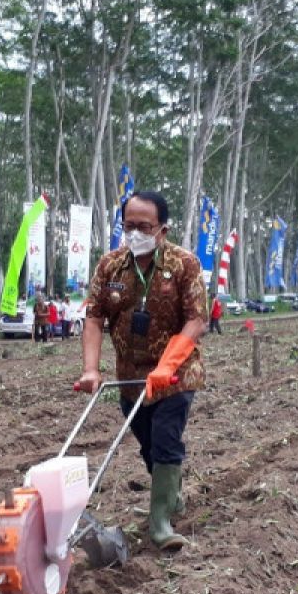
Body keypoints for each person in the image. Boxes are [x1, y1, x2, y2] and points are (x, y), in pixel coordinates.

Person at [77, 190, 206, 551]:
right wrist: (91, 369)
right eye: (128, 226)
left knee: (166, 439)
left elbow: (196, 320)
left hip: (176, 376)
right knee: (149, 447)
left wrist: (167, 366)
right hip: (130, 378)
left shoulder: (184, 264)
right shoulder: (110, 266)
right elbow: (94, 316)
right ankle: (171, 495)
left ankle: (160, 522)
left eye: (144, 227)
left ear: (162, 229)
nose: (135, 233)